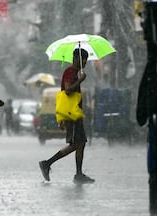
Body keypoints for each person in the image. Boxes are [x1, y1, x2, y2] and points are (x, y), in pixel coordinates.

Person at [39, 48, 95, 183]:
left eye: (86, 59)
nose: (85, 62)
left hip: (76, 113)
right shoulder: (70, 72)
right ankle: (47, 164)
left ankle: (79, 174)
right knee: (76, 144)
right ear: (75, 58)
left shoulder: (75, 73)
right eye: (82, 59)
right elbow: (68, 90)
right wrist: (80, 80)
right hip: (72, 115)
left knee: (81, 144)